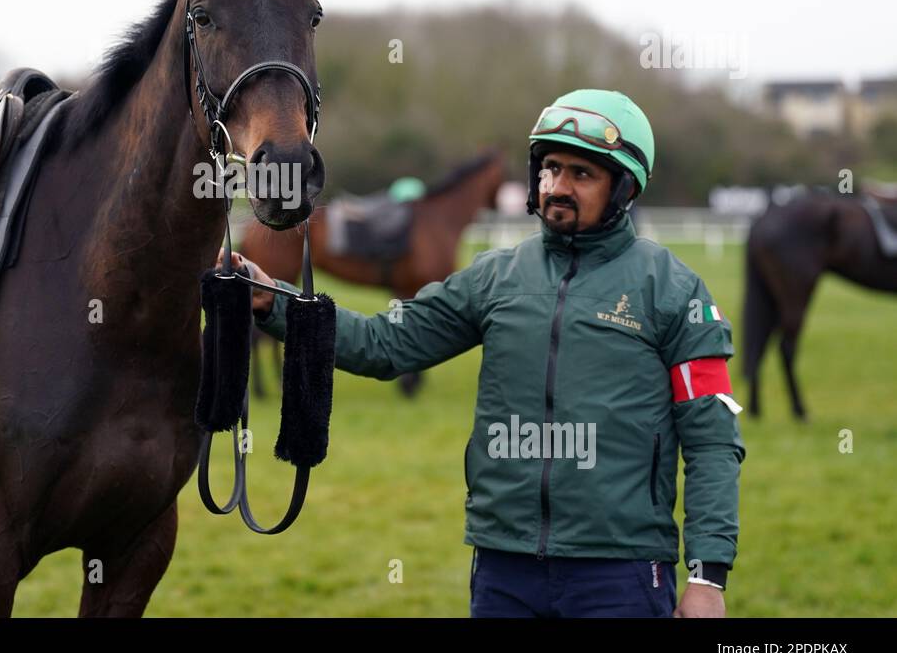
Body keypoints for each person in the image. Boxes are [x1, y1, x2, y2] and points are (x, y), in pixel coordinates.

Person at [228, 89, 745, 617]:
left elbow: (712, 443)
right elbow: (385, 344)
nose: (557, 187)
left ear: (625, 187)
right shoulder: (493, 277)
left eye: (581, 175)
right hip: (504, 568)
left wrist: (707, 578)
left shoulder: (676, 292)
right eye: (550, 170)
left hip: (621, 574)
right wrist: (279, 304)